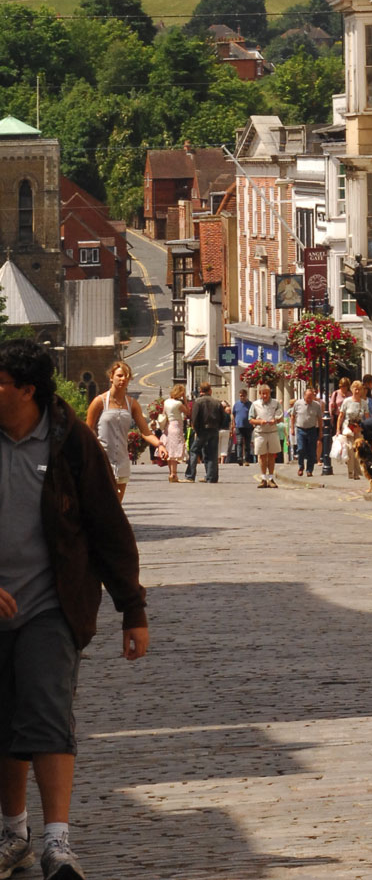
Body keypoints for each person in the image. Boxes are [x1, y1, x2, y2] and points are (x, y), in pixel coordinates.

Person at [0, 338, 148, 880]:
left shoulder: (69, 444)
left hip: (51, 606)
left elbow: (110, 528)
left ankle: (57, 842)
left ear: (25, 391)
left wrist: (132, 609)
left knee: (46, 715)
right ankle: (13, 833)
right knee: (6, 722)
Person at [84, 362, 153, 508]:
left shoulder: (132, 404)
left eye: (126, 377)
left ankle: (109, 530)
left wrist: (160, 445)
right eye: (119, 376)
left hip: (121, 459)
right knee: (101, 503)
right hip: (102, 459)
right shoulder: (99, 401)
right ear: (111, 377)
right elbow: (87, 429)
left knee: (116, 506)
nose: (123, 379)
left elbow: (146, 432)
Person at [186, 383, 223, 484]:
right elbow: (223, 418)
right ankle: (211, 477)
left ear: (200, 390)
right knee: (212, 453)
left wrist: (197, 431)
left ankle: (190, 475)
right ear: (210, 390)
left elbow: (195, 418)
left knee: (194, 451)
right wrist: (217, 427)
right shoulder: (217, 402)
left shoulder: (198, 402)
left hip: (202, 430)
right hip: (214, 429)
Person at [250, 385, 282, 489]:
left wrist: (275, 420)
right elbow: (250, 419)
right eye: (263, 393)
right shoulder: (255, 404)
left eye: (266, 393)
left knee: (272, 456)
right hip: (260, 433)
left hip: (272, 432)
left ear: (270, 393)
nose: (265, 395)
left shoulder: (276, 403)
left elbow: (280, 416)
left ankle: (271, 479)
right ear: (259, 393)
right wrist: (260, 422)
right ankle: (263, 479)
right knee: (262, 456)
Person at [336, 381, 369, 481]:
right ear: (352, 389)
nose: (357, 391)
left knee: (358, 451)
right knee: (350, 449)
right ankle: (351, 472)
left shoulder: (364, 403)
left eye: (359, 389)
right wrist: (338, 430)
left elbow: (367, 417)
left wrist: (366, 428)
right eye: (355, 389)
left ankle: (357, 472)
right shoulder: (347, 401)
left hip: (359, 428)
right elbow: (341, 416)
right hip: (348, 429)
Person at [293, 385, 324, 481]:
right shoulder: (298, 403)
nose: (310, 399)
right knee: (301, 449)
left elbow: (319, 418)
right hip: (300, 429)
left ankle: (309, 470)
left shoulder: (316, 405)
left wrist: (320, 431)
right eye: (308, 397)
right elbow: (292, 416)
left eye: (311, 397)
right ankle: (301, 466)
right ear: (304, 396)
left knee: (311, 451)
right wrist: (291, 428)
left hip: (312, 429)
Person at [160, 383, 188, 486]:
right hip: (176, 426)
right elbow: (187, 412)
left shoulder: (166, 402)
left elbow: (164, 414)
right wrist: (185, 399)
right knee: (175, 451)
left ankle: (171, 473)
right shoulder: (178, 404)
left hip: (168, 426)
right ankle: (173, 474)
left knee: (169, 450)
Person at [230, 390, 252, 468]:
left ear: (246, 395)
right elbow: (233, 414)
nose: (242, 397)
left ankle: (247, 460)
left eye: (243, 395)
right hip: (238, 426)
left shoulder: (250, 404)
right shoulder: (236, 404)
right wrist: (233, 425)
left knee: (247, 444)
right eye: (240, 396)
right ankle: (239, 458)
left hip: (248, 426)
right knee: (239, 442)